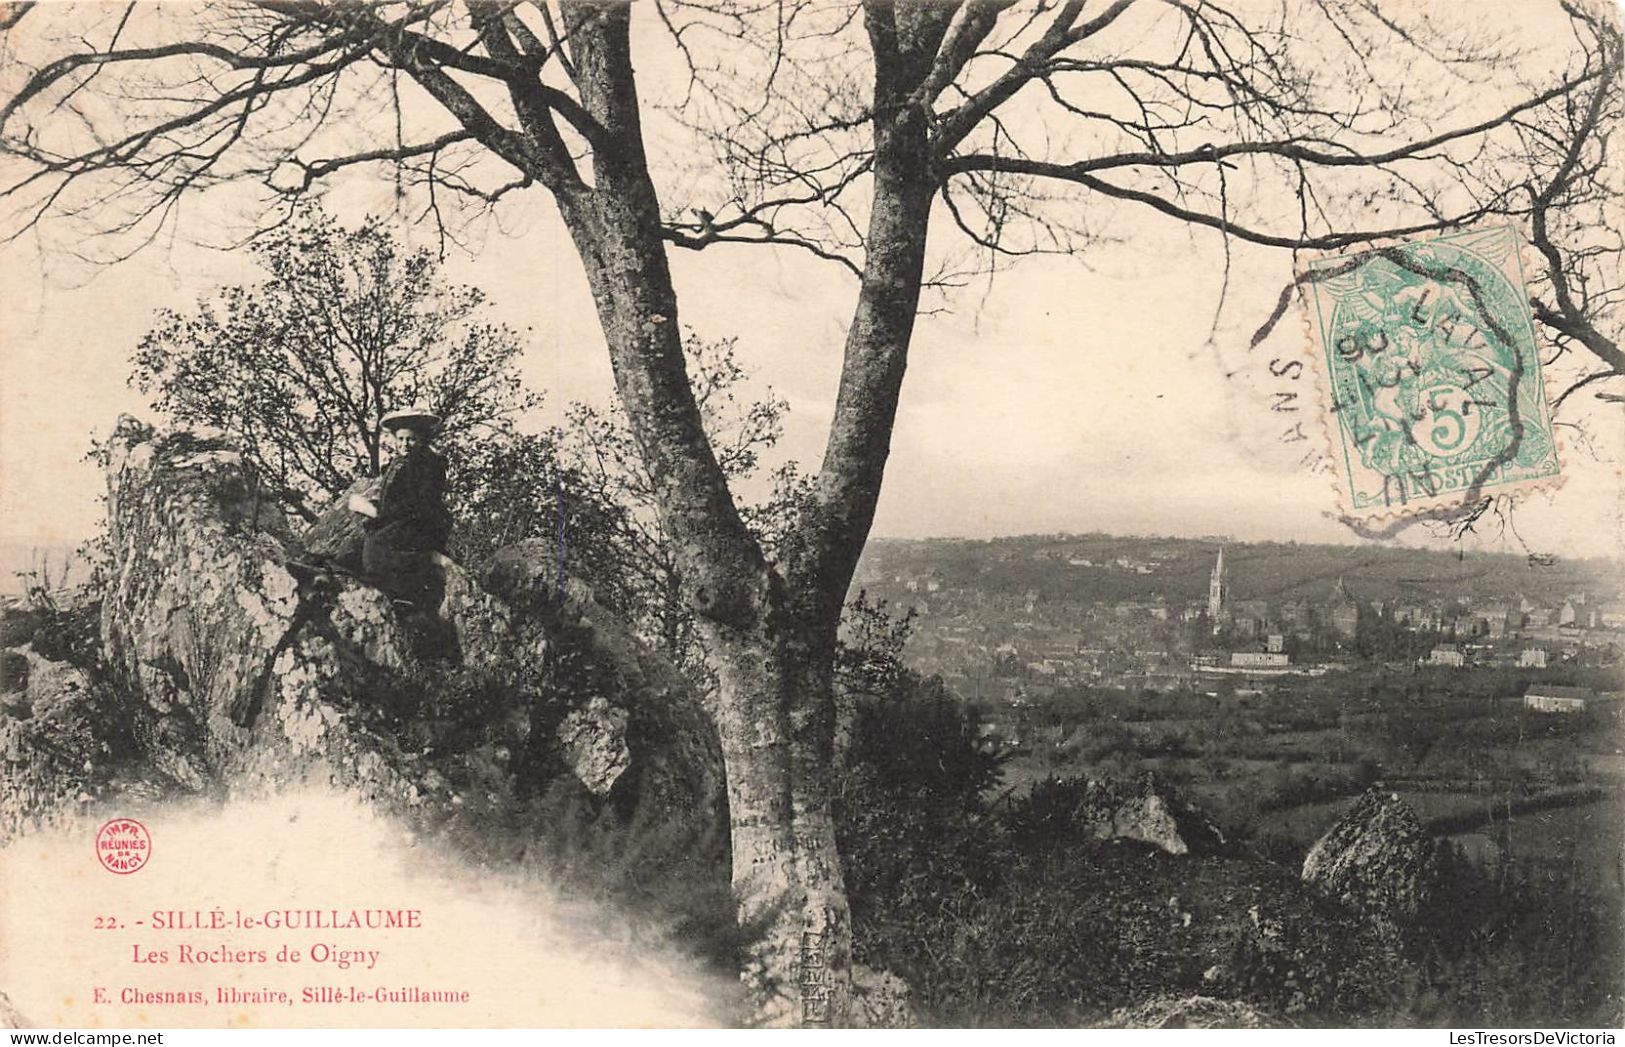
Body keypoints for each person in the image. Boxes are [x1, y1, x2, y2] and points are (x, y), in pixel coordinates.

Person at [351, 406, 452, 606]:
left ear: (422, 439)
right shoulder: (399, 463)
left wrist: (375, 512)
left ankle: (404, 591)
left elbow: (416, 503)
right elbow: (391, 495)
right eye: (401, 439)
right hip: (400, 519)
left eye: (411, 439)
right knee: (361, 546)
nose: (405, 444)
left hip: (420, 523)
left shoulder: (428, 464)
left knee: (377, 549)